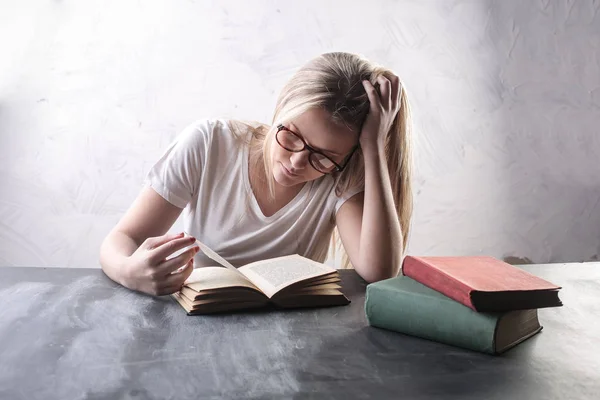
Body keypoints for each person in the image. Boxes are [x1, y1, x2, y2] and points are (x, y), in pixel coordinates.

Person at [99, 52, 413, 296]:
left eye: (323, 156)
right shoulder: (211, 144)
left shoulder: (338, 178)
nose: (297, 162)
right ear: (281, 109)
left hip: (291, 335)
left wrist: (373, 147)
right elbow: (124, 238)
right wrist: (129, 270)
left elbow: (380, 271)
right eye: (291, 136)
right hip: (201, 321)